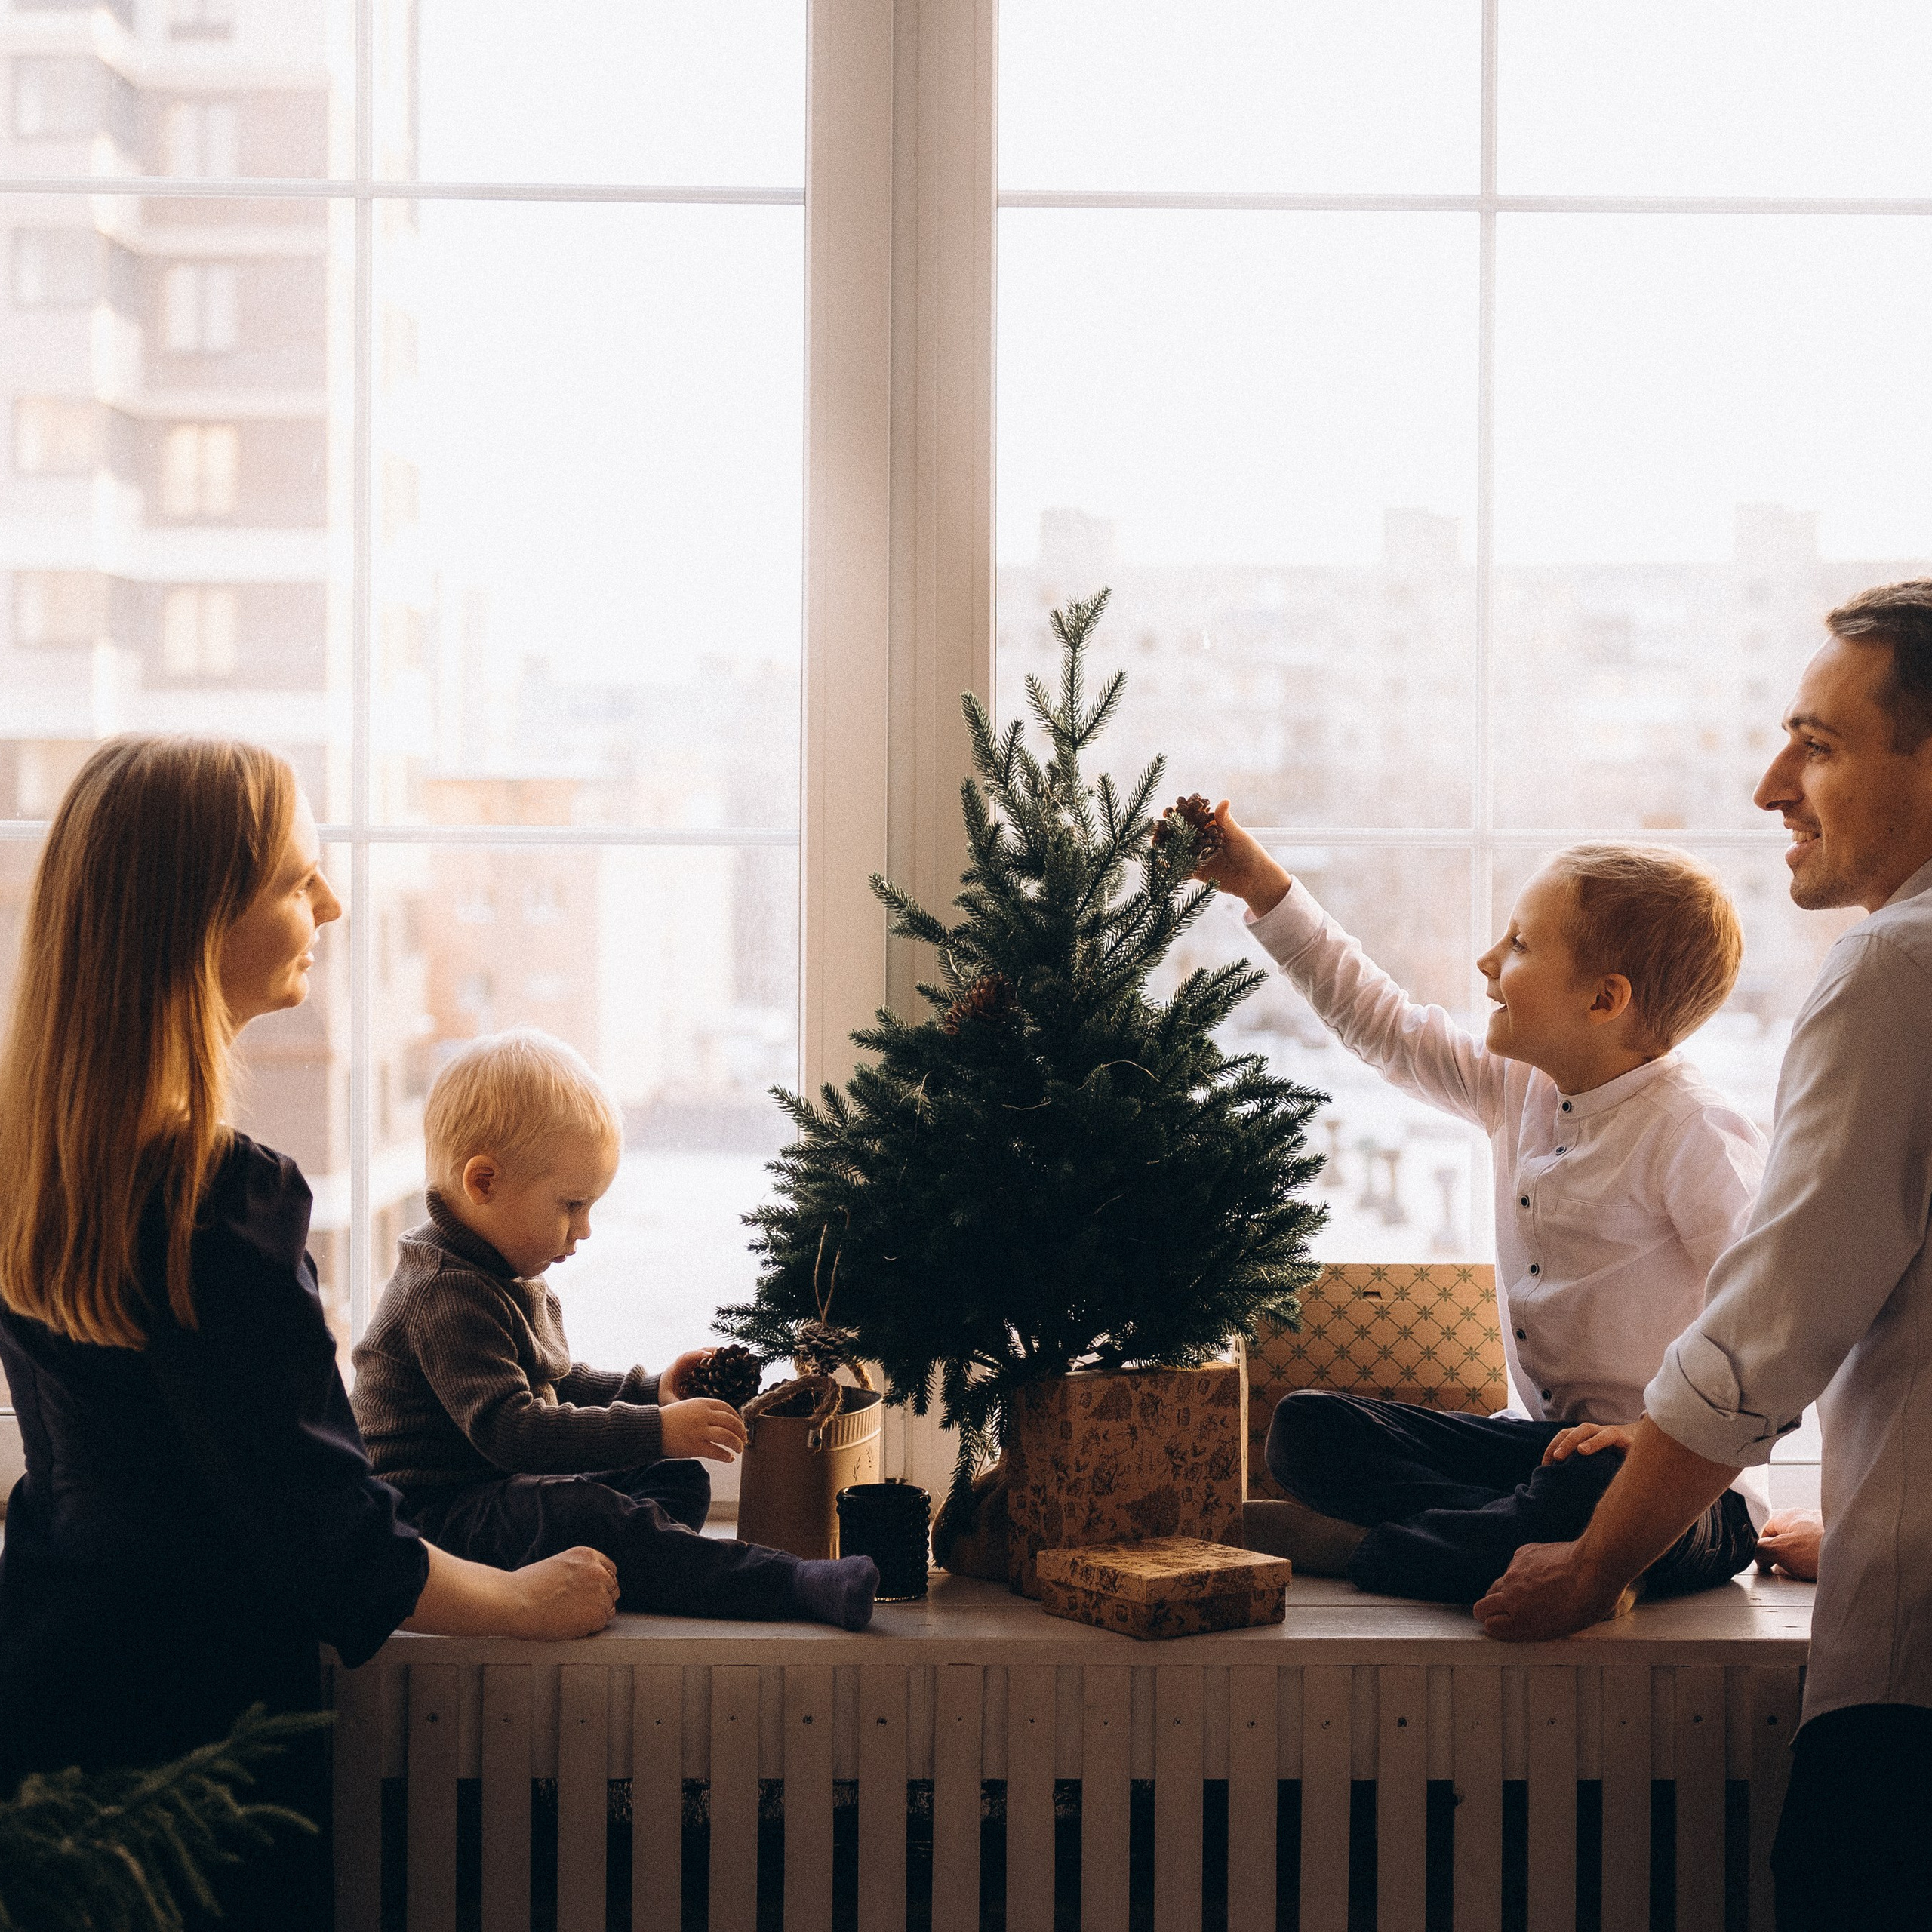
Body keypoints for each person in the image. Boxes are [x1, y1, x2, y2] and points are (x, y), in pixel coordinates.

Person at [0, 737, 619, 1927]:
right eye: (295, 880)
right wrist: (521, 1602)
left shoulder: (47, 1173)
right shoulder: (216, 1200)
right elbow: (325, 1529)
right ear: (198, 920)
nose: (331, 901)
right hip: (204, 1751)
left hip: (54, 1701)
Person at [1471, 580, 1932, 1929]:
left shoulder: (1899, 970)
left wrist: (1599, 1562)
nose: (1771, 782)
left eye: (1821, 742)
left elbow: (1770, 1325)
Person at [1201, 812, 1767, 1602]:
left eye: (1521, 945)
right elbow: (1382, 1025)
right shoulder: (1519, 1086)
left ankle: (1386, 1549)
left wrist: (1648, 1437)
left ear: (1604, 999)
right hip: (1540, 1454)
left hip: (1670, 1489)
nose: (1486, 960)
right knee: (1305, 1430)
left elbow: (1768, 1329)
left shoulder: (1692, 1129)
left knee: (1590, 1489)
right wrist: (1261, 885)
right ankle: (1493, 1536)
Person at [350, 1029, 881, 1632]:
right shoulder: (445, 1290)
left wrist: (651, 1391)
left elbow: (556, 1380)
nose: (584, 1230)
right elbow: (516, 1430)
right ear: (484, 1183)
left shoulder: (498, 1266)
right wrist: (655, 1428)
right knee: (589, 1508)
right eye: (571, 1205)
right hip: (434, 1525)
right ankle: (785, 1583)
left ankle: (640, 1561)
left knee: (674, 1473)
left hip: (497, 1494)